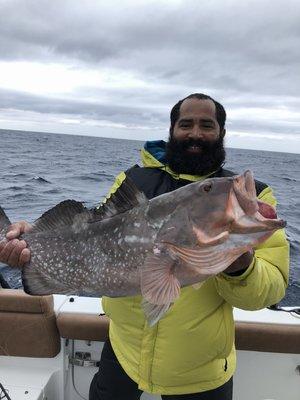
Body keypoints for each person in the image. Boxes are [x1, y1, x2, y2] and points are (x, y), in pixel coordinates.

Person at [0, 93, 289, 400]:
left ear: (221, 133)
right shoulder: (133, 180)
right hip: (123, 352)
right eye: (185, 124)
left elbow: (270, 289)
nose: (195, 133)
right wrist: (34, 237)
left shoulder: (254, 196)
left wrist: (240, 265)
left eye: (207, 125)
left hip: (199, 367)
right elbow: (93, 231)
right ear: (172, 130)